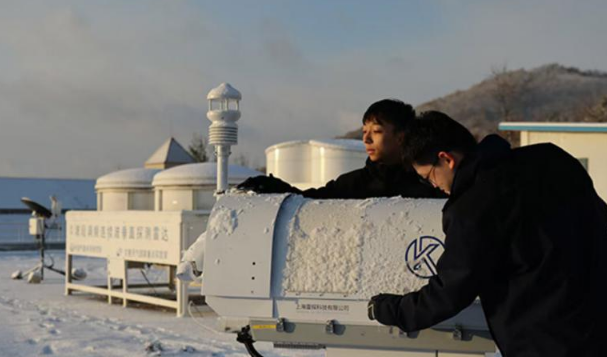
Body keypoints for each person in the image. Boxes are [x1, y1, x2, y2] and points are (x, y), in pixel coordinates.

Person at [368, 111, 607, 357]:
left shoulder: (472, 206)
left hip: (546, 340)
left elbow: (451, 290)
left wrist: (392, 309)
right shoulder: (551, 158)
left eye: (429, 177)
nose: (435, 186)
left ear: (446, 159)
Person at [237, 99, 444, 199]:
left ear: (401, 137)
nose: (366, 138)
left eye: (377, 131)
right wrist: (275, 186)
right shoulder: (355, 183)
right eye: (364, 131)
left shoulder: (432, 180)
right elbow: (310, 201)